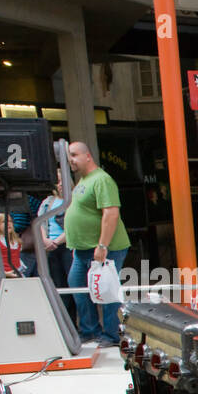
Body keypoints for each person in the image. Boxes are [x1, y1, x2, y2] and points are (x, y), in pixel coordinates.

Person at [65, 141, 130, 345]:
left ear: (88, 156)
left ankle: (112, 334)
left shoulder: (102, 180)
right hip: (83, 249)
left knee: (107, 290)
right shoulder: (84, 181)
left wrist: (102, 245)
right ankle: (90, 330)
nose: (71, 160)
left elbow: (110, 213)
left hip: (106, 248)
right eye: (69, 156)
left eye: (74, 155)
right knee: (77, 285)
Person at [37, 181, 75, 321]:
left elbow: (75, 225)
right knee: (59, 286)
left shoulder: (74, 201)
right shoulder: (47, 202)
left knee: (74, 286)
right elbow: (40, 222)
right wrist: (45, 240)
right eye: (57, 181)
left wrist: (56, 242)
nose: (60, 184)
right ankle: (66, 323)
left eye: (62, 180)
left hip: (68, 246)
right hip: (51, 248)